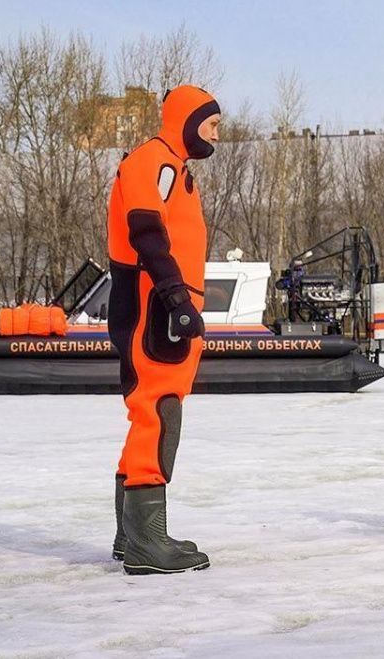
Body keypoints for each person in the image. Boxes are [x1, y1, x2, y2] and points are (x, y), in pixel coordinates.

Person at [106, 85, 220, 575]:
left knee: (150, 413)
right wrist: (175, 298)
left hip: (163, 302)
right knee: (158, 412)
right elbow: (145, 230)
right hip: (154, 306)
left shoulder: (174, 167)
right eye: (212, 123)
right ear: (187, 120)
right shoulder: (155, 163)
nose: (217, 132)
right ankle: (148, 546)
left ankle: (131, 538)